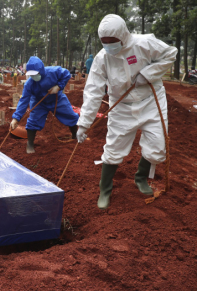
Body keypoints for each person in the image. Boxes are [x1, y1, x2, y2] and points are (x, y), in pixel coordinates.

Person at [76, 14, 177, 209]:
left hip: (151, 101)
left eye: (112, 42)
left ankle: (141, 178)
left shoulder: (144, 43)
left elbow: (170, 53)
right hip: (121, 106)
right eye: (104, 42)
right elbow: (93, 91)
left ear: (123, 36)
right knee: (113, 149)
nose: (108, 46)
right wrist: (83, 123)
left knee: (158, 148)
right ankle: (104, 189)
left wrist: (148, 74)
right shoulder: (102, 58)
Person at [10, 56, 79, 154]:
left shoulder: (53, 71)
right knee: (33, 120)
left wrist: (59, 86)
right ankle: (30, 143)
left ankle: (75, 134)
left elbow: (66, 74)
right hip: (39, 102)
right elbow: (24, 100)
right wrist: (16, 118)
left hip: (57, 98)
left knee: (70, 115)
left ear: (41, 70)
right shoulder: (29, 84)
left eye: (35, 74)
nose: (33, 77)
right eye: (31, 75)